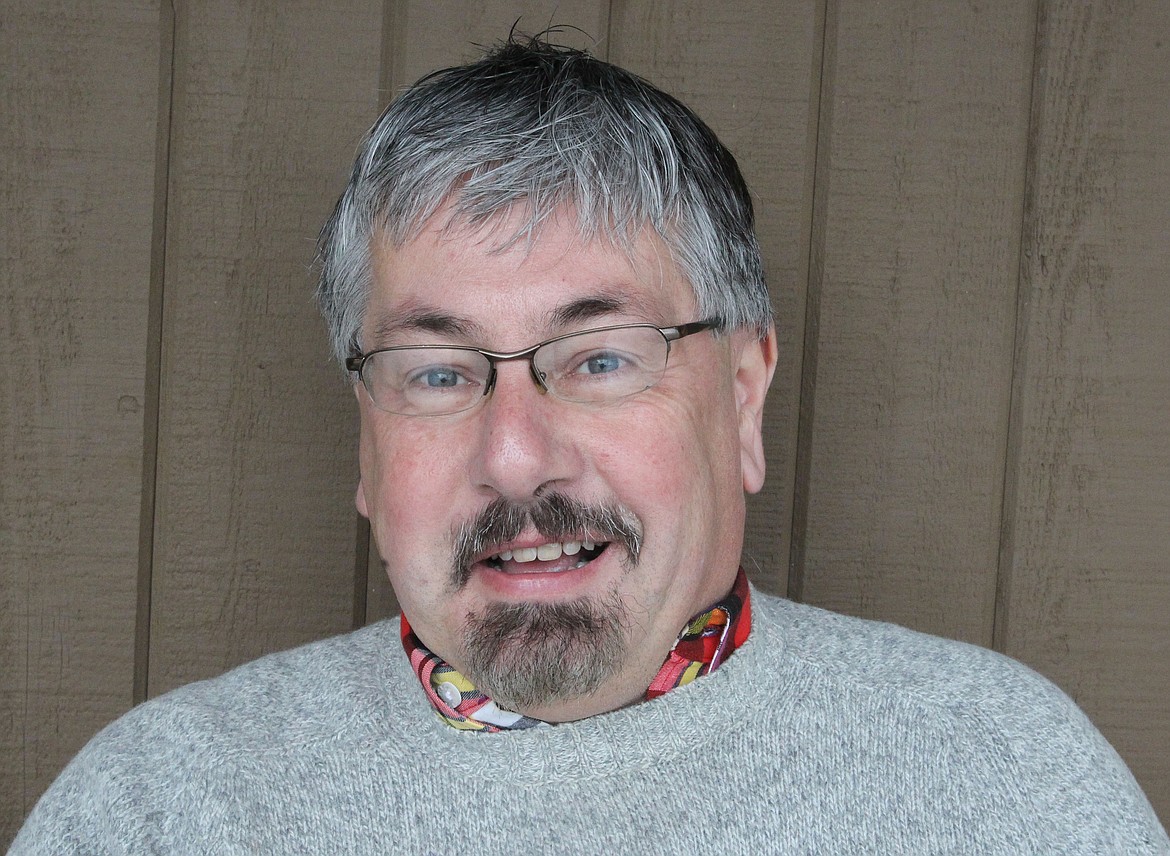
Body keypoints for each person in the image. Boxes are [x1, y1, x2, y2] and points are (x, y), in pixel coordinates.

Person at [12, 35, 1169, 855]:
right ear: (366, 443)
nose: (517, 457)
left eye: (602, 358)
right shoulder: (162, 807)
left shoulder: (1000, 774)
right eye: (437, 372)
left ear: (744, 399)